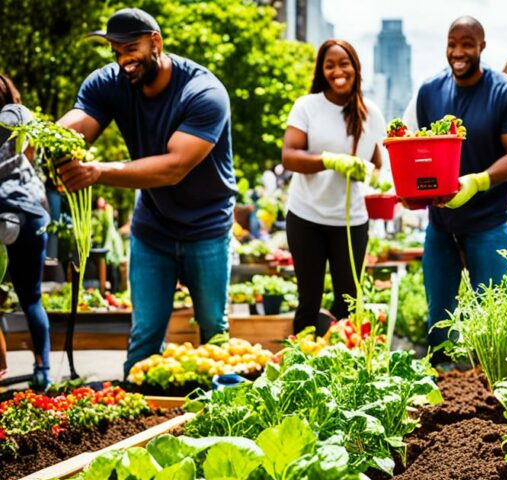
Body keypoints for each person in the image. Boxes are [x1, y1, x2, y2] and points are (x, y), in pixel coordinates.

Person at [55, 8, 236, 376]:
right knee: (144, 339)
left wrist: (97, 171)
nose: (124, 59)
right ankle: (141, 421)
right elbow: (76, 126)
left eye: (131, 48)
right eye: (116, 51)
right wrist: (45, 139)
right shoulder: (108, 83)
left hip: (207, 226)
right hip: (153, 227)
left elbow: (174, 167)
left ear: (156, 42)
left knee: (213, 332)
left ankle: (220, 416)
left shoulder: (204, 92)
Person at [406, 16, 507, 357]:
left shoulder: (506, 93)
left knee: (497, 320)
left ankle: (498, 390)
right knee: (439, 322)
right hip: (441, 225)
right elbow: (423, 153)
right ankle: (440, 395)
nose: (458, 52)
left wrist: (477, 182)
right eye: (452, 44)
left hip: (488, 223)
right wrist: (415, 194)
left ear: (482, 46)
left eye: (467, 44)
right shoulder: (430, 91)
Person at [281, 40, 384, 334]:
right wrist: (329, 160)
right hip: (306, 218)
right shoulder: (307, 106)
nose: (337, 71)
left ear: (355, 68)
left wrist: (372, 175)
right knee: (308, 302)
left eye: (344, 63)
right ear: (321, 71)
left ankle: (345, 367)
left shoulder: (371, 114)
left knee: (349, 304)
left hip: (351, 222)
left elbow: (378, 163)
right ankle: (301, 365)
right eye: (330, 65)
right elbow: (290, 155)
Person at [0, 74, 51, 389]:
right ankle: (42, 370)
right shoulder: (22, 116)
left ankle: (1, 369)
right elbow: (33, 156)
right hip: (31, 211)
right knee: (31, 297)